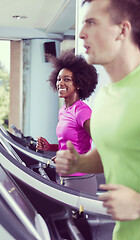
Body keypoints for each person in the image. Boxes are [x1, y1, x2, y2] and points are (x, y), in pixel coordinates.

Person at [55, 0, 140, 240]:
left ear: (122, 30)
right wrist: (80, 164)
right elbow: (116, 153)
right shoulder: (108, 96)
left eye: (91, 23)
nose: (81, 33)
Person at [37, 49, 98, 194]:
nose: (60, 83)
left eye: (67, 79)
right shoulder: (63, 111)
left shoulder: (82, 111)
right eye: (59, 79)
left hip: (81, 180)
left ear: (78, 84)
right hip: (65, 178)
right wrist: (51, 147)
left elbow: (101, 141)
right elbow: (72, 143)